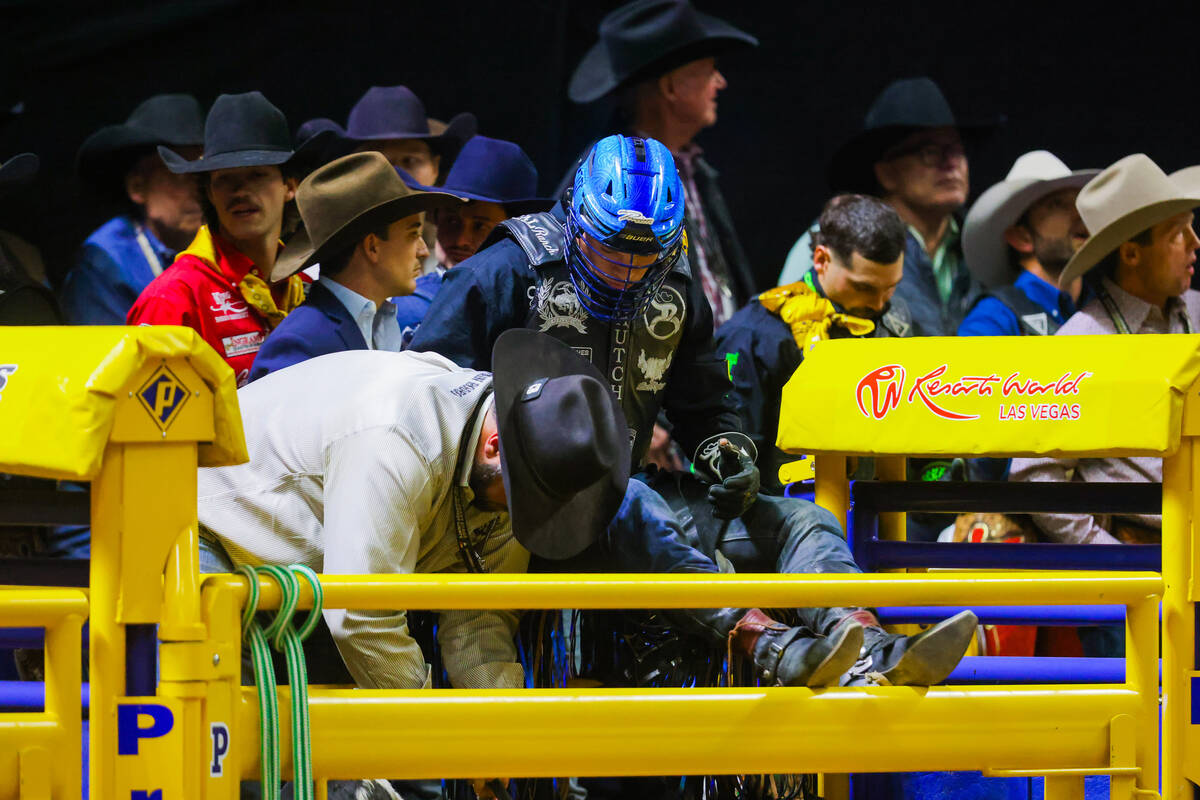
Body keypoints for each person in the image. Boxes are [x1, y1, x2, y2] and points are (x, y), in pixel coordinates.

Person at [412, 134, 975, 687]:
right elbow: (425, 396)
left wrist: (726, 453)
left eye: (646, 254)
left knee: (804, 519)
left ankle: (867, 647)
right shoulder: (504, 271)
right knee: (633, 500)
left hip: (633, 500)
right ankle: (769, 645)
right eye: (612, 248)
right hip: (515, 512)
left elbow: (706, 403)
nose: (628, 270)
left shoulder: (678, 287)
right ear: (575, 221)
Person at [199, 330, 630, 799]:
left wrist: (501, 736)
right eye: (525, 501)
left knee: (335, 761)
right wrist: (441, 738)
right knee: (229, 761)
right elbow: (361, 617)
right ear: (492, 448)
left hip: (312, 581)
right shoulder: (397, 433)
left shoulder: (517, 461)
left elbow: (479, 617)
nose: (523, 517)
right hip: (207, 536)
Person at [1011, 154, 1200, 547]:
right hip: (1145, 554)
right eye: (1177, 233)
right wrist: (1112, 558)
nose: (1195, 244)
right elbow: (1035, 476)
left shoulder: (1195, 311)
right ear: (1131, 254)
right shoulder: (1082, 342)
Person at [565, 0, 759, 327]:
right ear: (671, 87)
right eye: (710, 69)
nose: (720, 82)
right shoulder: (603, 181)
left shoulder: (696, 170)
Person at [715, 194, 909, 493]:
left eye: (891, 287)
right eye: (863, 287)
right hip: (782, 518)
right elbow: (734, 458)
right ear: (821, 259)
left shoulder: (895, 323)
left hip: (881, 509)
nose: (880, 303)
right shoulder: (755, 335)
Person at [779, 77, 1000, 336]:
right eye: (930, 152)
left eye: (957, 150)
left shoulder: (982, 244)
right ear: (886, 174)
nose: (951, 163)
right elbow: (789, 337)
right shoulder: (832, 240)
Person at [126, 92, 308, 386]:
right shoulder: (174, 300)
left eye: (257, 175)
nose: (240, 192)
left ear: (290, 187)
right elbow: (149, 423)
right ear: (210, 193)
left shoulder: (309, 285)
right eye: (225, 179)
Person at [247, 151, 463, 381]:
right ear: (372, 247)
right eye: (412, 235)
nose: (423, 251)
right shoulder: (300, 344)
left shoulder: (375, 323)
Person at [60, 94, 205, 324]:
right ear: (137, 187)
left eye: (204, 173)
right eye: (179, 172)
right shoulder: (106, 261)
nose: (199, 187)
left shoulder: (225, 243)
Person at [393, 135, 552, 345]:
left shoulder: (544, 306)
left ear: (514, 231)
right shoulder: (402, 306)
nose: (461, 240)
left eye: (480, 226)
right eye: (451, 221)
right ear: (436, 219)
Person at [958, 151, 1098, 336]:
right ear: (1021, 238)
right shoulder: (994, 319)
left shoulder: (1103, 307)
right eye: (1057, 204)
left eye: (1080, 202)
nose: (1079, 213)